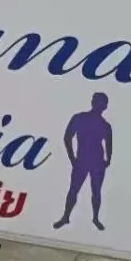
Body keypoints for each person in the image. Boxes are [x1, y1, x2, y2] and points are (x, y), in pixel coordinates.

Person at [53, 92, 112, 232]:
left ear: (105, 106)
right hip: (82, 160)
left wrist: (107, 160)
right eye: (98, 102)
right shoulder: (80, 118)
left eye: (102, 103)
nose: (100, 105)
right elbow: (67, 137)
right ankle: (66, 216)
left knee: (96, 191)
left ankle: (95, 218)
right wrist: (72, 158)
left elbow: (109, 144)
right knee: (74, 190)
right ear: (93, 102)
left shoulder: (105, 125)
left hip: (97, 162)